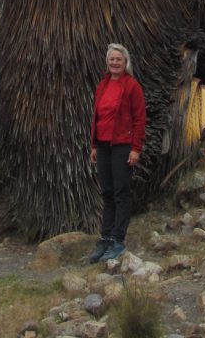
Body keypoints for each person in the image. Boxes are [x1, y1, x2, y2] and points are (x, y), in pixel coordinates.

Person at [89, 43, 146, 263]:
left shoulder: (132, 87)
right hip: (103, 146)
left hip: (122, 146)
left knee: (121, 193)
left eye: (118, 60)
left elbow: (140, 119)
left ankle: (117, 240)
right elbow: (97, 117)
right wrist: (94, 145)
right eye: (111, 59)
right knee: (107, 193)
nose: (114, 63)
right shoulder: (102, 85)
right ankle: (105, 238)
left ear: (125, 62)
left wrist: (135, 148)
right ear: (107, 62)